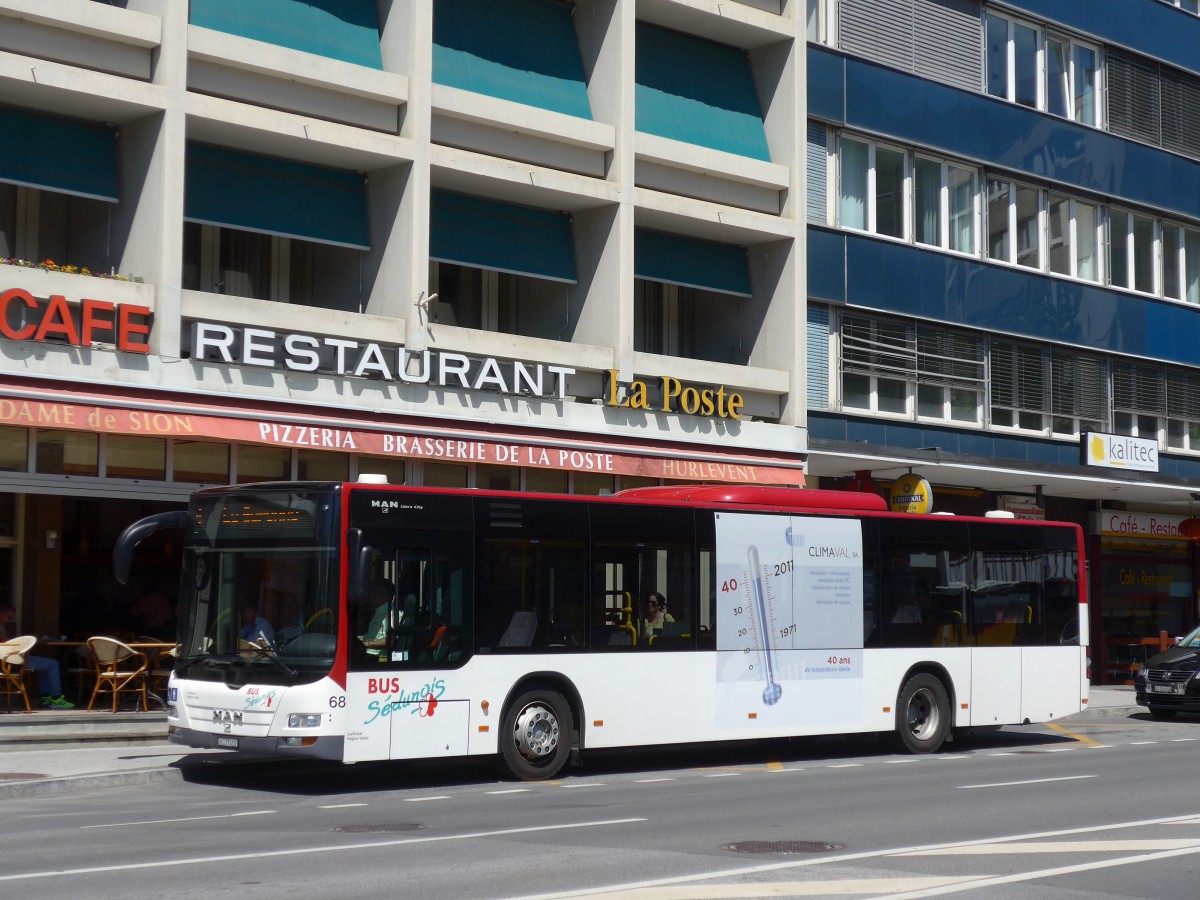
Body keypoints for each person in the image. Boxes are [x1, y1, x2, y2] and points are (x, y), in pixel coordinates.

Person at [0, 602, 74, 709]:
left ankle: (46, 698)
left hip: (6, 662)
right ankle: (56, 698)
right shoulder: (1, 629)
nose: (10, 620)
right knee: (53, 664)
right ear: (1, 614)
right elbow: (6, 648)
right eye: (9, 616)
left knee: (45, 667)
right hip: (10, 662)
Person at [359, 579, 394, 657]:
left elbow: (389, 641)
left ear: (384, 595)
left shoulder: (390, 613)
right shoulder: (379, 611)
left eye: (374, 592)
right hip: (368, 653)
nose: (371, 596)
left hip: (378, 657)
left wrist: (366, 643)